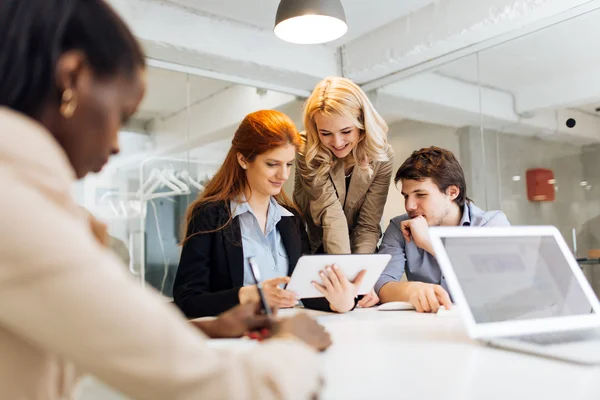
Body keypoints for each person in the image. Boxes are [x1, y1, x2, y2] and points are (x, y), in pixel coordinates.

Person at [0, 1, 331, 399]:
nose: (118, 144)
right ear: (72, 78)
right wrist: (292, 345)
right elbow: (213, 386)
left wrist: (210, 327)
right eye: (121, 115)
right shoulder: (18, 211)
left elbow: (99, 337)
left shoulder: (25, 199)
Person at [174, 109, 366, 317]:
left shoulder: (290, 219)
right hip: (238, 340)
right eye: (272, 164)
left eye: (289, 165)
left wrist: (340, 302)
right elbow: (188, 300)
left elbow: (303, 293)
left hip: (286, 334)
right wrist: (250, 295)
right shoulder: (210, 216)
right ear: (243, 160)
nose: (283, 175)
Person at [293, 77, 394, 307]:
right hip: (317, 249)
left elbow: (368, 223)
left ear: (362, 123)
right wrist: (344, 281)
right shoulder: (306, 149)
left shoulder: (382, 156)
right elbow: (332, 215)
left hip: (360, 253)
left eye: (346, 131)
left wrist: (362, 278)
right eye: (325, 133)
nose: (336, 142)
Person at [375, 146, 510, 313]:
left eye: (421, 195)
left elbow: (501, 285)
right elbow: (381, 282)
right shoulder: (399, 227)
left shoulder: (491, 225)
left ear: (452, 192)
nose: (409, 206)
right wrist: (410, 290)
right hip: (426, 328)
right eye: (406, 196)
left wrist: (430, 244)